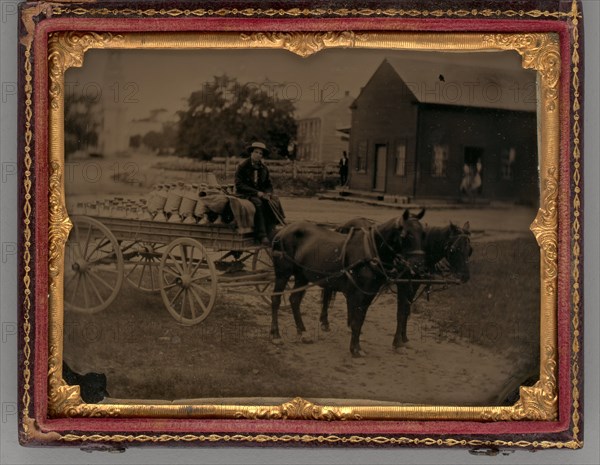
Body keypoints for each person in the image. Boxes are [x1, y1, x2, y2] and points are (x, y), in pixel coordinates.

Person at [235, 141, 285, 246]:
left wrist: (268, 193)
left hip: (261, 194)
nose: (258, 155)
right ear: (251, 153)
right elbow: (239, 185)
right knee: (258, 203)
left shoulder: (263, 168)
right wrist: (256, 193)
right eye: (256, 152)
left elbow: (268, 184)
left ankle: (271, 228)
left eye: (261, 153)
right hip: (245, 194)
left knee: (274, 200)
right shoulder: (242, 166)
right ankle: (261, 235)